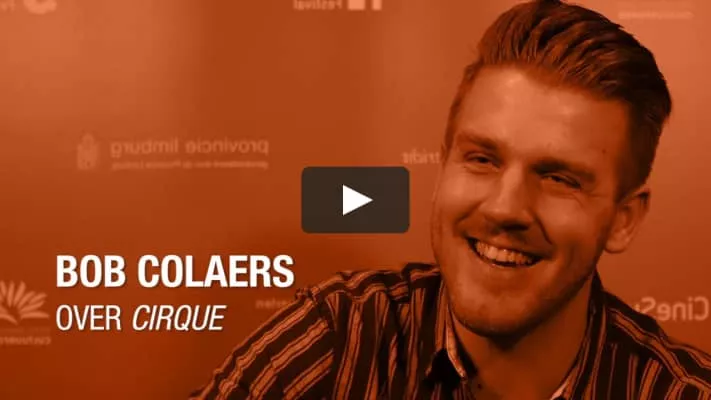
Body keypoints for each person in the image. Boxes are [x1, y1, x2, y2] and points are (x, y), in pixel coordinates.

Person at [191, 0, 711, 398]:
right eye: (482, 159)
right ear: (443, 168)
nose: (504, 208)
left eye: (559, 178)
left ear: (623, 219)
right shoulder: (340, 341)